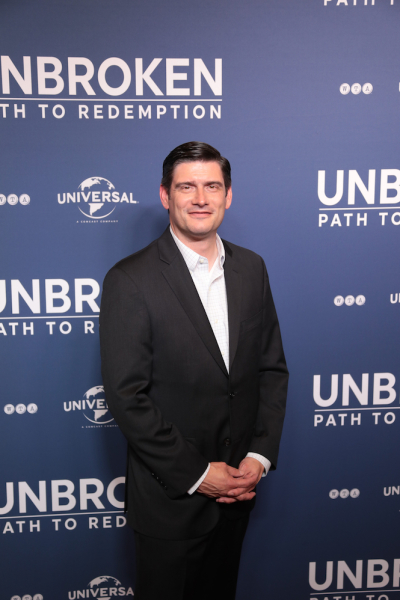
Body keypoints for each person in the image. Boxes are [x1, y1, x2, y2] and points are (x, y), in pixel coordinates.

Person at [99, 141, 289, 600]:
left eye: (212, 186)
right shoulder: (130, 279)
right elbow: (128, 397)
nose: (200, 198)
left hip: (237, 497)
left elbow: (271, 369)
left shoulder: (251, 268)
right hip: (171, 502)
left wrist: (257, 459)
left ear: (228, 195)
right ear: (166, 195)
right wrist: (201, 474)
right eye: (187, 186)